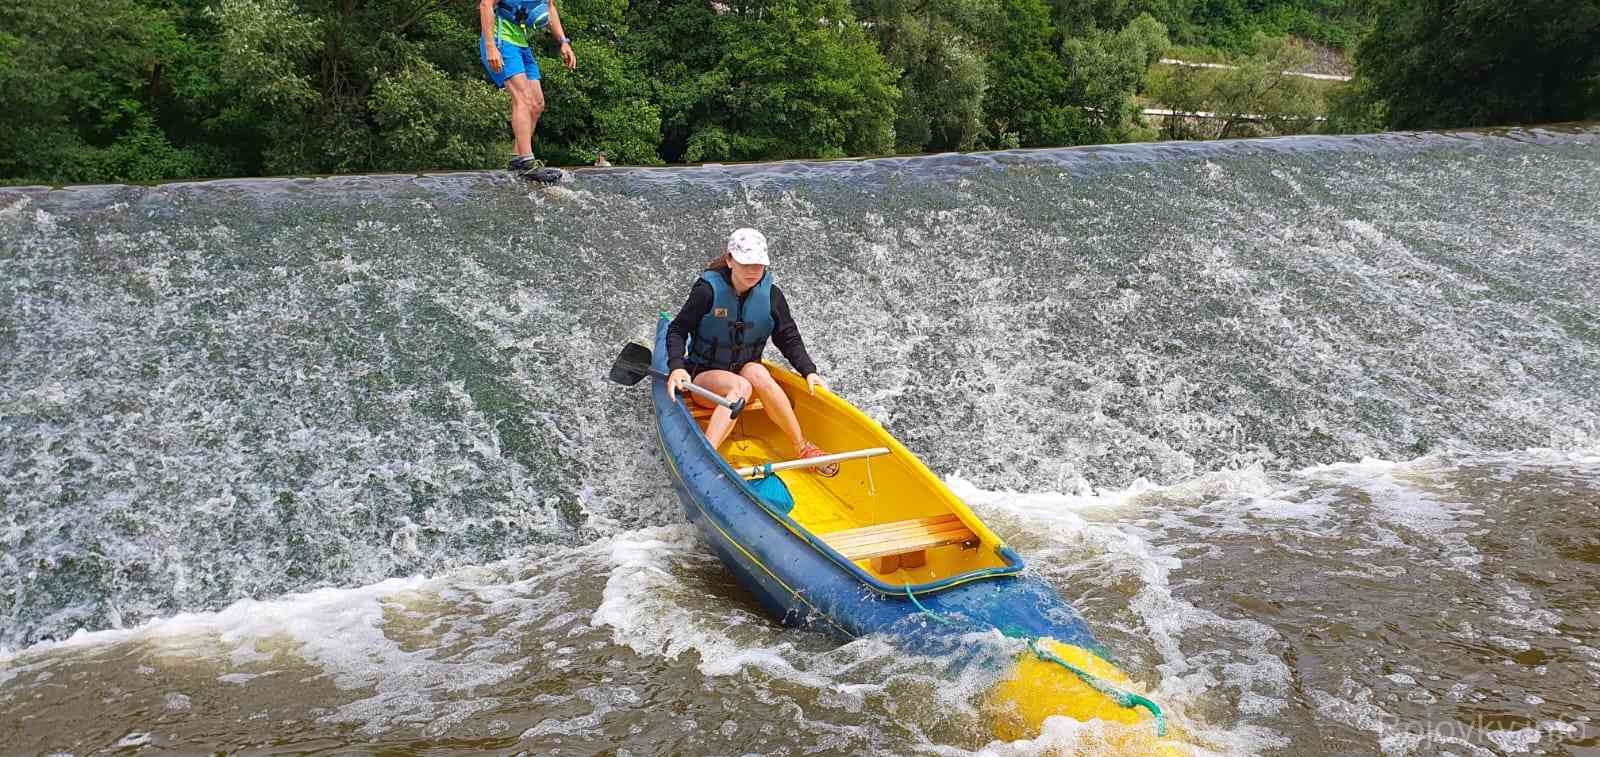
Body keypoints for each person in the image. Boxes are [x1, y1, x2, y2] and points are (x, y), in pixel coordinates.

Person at [665, 228, 838, 475]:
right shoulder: (707, 291)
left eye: (758, 265)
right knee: (741, 386)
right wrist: (676, 367)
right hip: (705, 381)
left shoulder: (772, 296)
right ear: (730, 260)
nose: (753, 271)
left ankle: (802, 447)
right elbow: (677, 330)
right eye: (745, 264)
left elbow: (788, 337)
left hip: (745, 374)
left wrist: (809, 371)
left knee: (757, 372)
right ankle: (706, 456)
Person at [478, 0, 577, 178]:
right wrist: (490, 46)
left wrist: (564, 41)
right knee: (523, 99)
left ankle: (517, 159)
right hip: (501, 41)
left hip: (520, 43)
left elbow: (550, 7)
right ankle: (527, 163)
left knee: (537, 104)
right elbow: (485, 5)